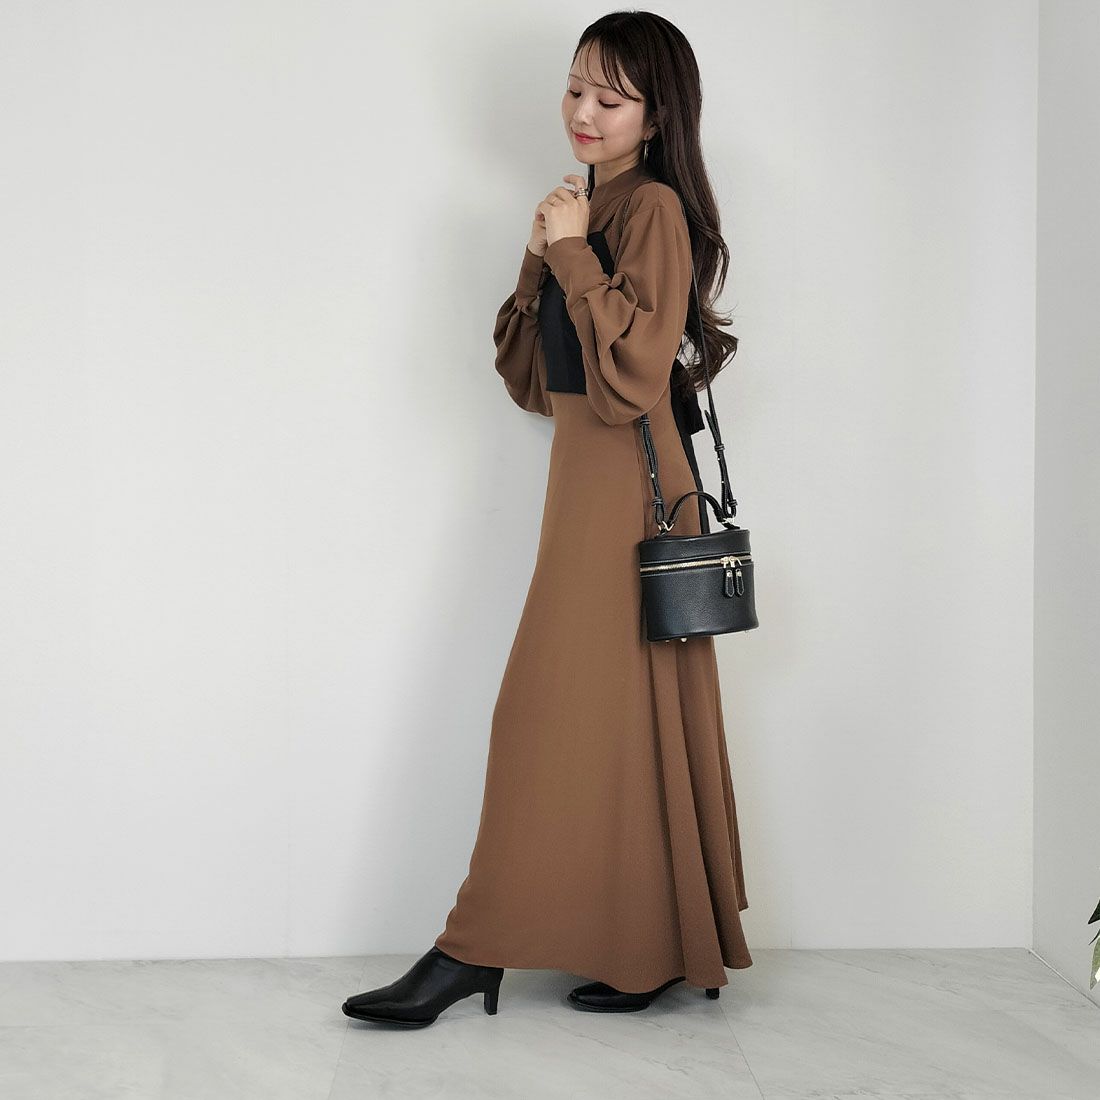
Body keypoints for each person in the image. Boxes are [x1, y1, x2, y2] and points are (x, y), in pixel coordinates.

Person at [343, 11, 751, 1029]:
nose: (582, 111)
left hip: (631, 486)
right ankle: (650, 945)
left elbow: (633, 375)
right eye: (574, 87)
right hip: (583, 478)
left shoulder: (651, 208)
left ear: (657, 117)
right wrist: (542, 254)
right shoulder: (585, 204)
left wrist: (571, 255)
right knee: (612, 721)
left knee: (538, 713)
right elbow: (533, 381)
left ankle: (468, 950)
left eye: (610, 97)